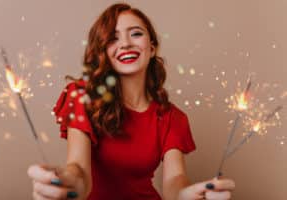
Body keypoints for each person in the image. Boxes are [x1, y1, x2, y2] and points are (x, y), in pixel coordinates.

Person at [27, 3, 235, 200]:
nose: (126, 44)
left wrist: (186, 195)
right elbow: (79, 170)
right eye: (112, 39)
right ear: (103, 52)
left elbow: (174, 180)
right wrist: (65, 183)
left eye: (136, 33)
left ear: (152, 48)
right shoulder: (82, 97)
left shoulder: (172, 117)